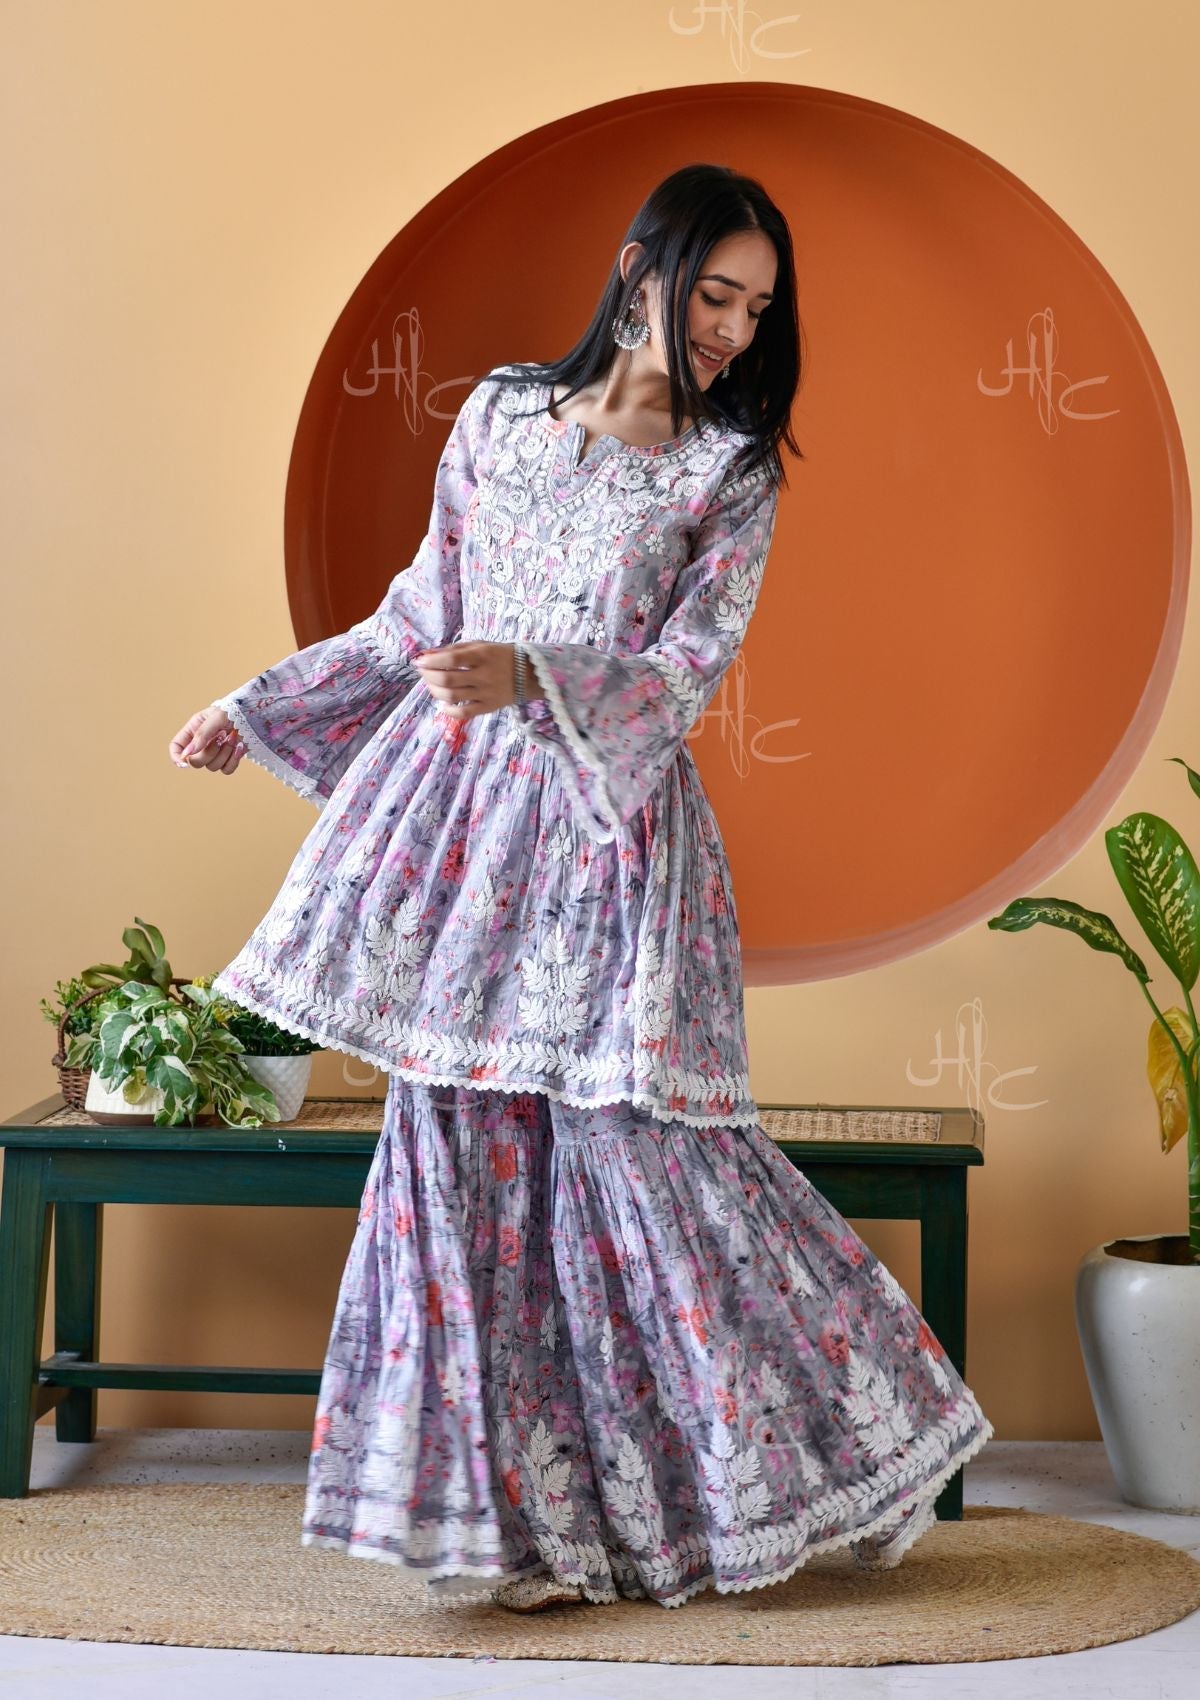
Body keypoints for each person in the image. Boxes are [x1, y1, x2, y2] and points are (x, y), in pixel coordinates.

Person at [168, 162, 993, 1614]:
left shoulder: (729, 473)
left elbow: (683, 675)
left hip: (611, 843)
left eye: (757, 309)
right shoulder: (496, 415)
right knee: (456, 1162)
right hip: (463, 840)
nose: (733, 330)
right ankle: (519, 1537)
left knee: (647, 1165)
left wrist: (533, 675)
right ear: (637, 269)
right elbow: (421, 612)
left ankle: (856, 1443)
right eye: (716, 294)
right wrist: (259, 703)